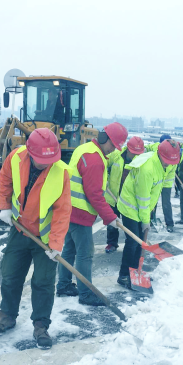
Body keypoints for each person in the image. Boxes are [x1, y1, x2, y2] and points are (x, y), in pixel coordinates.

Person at [0, 128, 71, 350]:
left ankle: (41, 325)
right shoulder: (15, 157)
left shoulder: (61, 172)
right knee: (10, 275)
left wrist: (55, 245)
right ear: (30, 152)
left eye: (50, 159)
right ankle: (6, 316)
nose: (46, 164)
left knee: (43, 282)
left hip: (44, 239)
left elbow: (62, 211)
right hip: (19, 229)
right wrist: (4, 207)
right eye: (42, 160)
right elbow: (5, 180)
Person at [56, 122, 128, 306]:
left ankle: (63, 285)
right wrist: (110, 217)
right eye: (112, 145)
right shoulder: (95, 160)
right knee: (85, 254)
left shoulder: (85, 148)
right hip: (81, 213)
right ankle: (86, 293)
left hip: (69, 208)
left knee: (69, 249)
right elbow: (94, 195)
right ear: (104, 138)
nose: (113, 150)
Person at [117, 140, 180, 288]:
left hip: (142, 207)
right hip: (130, 207)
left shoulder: (163, 164)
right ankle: (124, 275)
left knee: (140, 243)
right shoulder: (148, 169)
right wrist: (146, 220)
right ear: (160, 154)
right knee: (133, 242)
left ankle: (134, 272)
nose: (169, 164)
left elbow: (154, 192)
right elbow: (142, 198)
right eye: (167, 161)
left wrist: (148, 214)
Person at [105, 136, 145, 253]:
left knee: (131, 225)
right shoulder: (116, 156)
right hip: (113, 196)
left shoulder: (140, 161)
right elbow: (103, 165)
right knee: (112, 222)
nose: (134, 155)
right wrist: (105, 179)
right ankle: (112, 243)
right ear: (127, 149)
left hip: (129, 200)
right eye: (133, 152)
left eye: (137, 153)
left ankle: (133, 244)